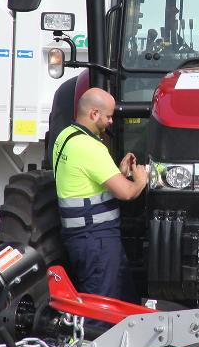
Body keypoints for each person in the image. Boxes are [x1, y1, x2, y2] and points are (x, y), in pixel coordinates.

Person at [52, 87, 147, 299]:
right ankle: (93, 334)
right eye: (109, 116)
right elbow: (127, 193)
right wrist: (140, 179)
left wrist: (119, 173)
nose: (112, 122)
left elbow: (86, 181)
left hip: (78, 238)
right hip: (97, 239)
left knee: (119, 295)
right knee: (102, 304)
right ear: (94, 114)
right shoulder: (91, 148)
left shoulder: (65, 137)